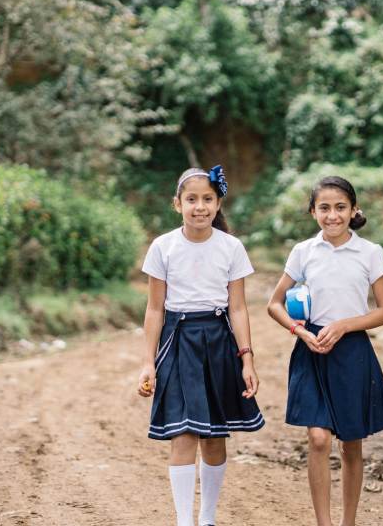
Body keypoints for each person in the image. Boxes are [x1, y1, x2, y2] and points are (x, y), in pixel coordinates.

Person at [267, 176, 383, 526]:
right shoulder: (303, 252)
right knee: (318, 438)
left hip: (352, 350)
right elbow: (275, 303)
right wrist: (300, 332)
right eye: (324, 208)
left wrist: (343, 325)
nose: (333, 215)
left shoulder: (370, 252)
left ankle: (348, 522)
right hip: (312, 349)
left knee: (352, 444)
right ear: (313, 212)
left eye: (340, 207)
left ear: (353, 210)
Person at [137, 165, 263, 526]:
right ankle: (184, 521)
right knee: (183, 432)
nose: (200, 206)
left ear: (218, 202)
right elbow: (155, 309)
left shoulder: (231, 247)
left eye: (208, 199)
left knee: (213, 436)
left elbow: (237, 308)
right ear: (177, 204)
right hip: (177, 340)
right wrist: (148, 362)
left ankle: (207, 518)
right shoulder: (163, 246)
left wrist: (247, 359)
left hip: (218, 340)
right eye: (191, 199)